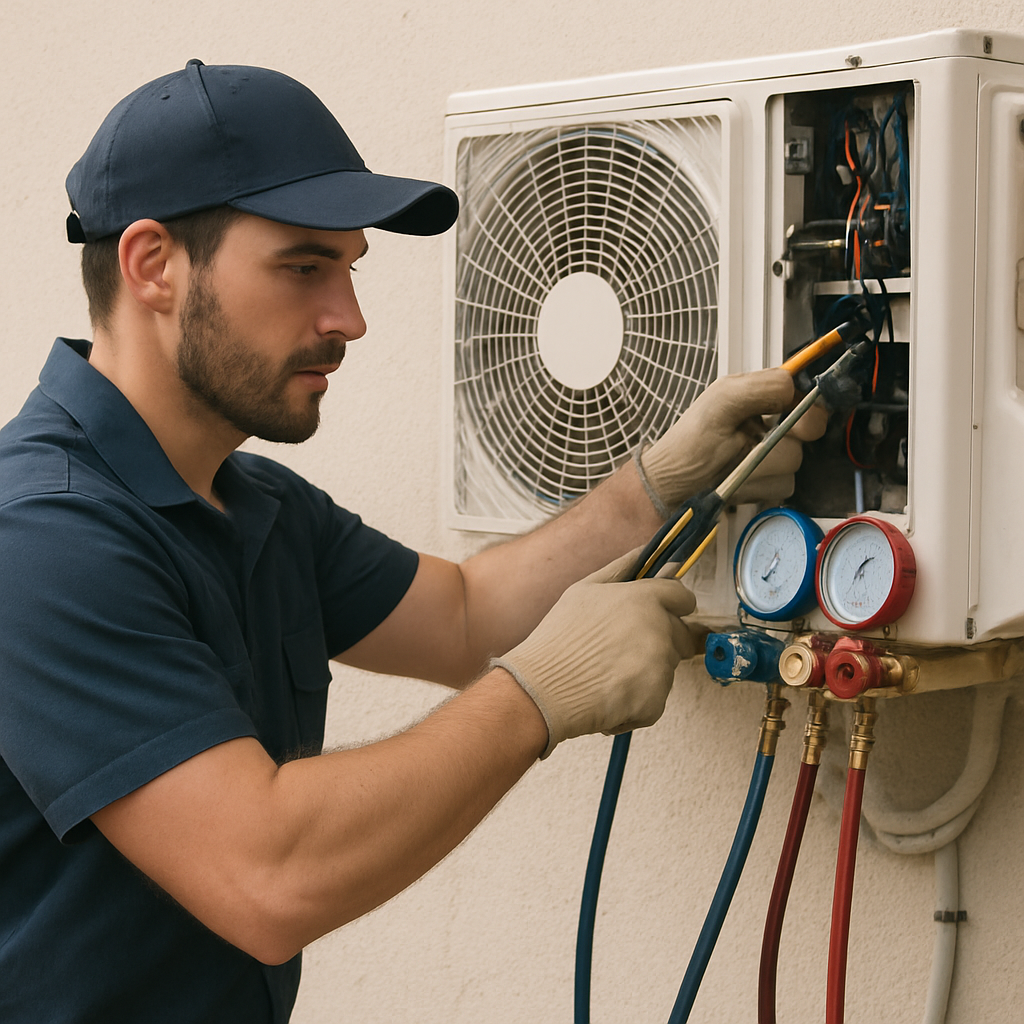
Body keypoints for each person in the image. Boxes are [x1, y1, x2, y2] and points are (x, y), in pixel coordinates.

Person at [0, 61, 820, 1023]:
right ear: (153, 266)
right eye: (304, 267)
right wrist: (540, 697)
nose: (348, 318)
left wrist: (658, 485)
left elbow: (465, 619)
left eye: (350, 270)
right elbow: (269, 877)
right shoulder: (41, 538)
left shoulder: (251, 502)